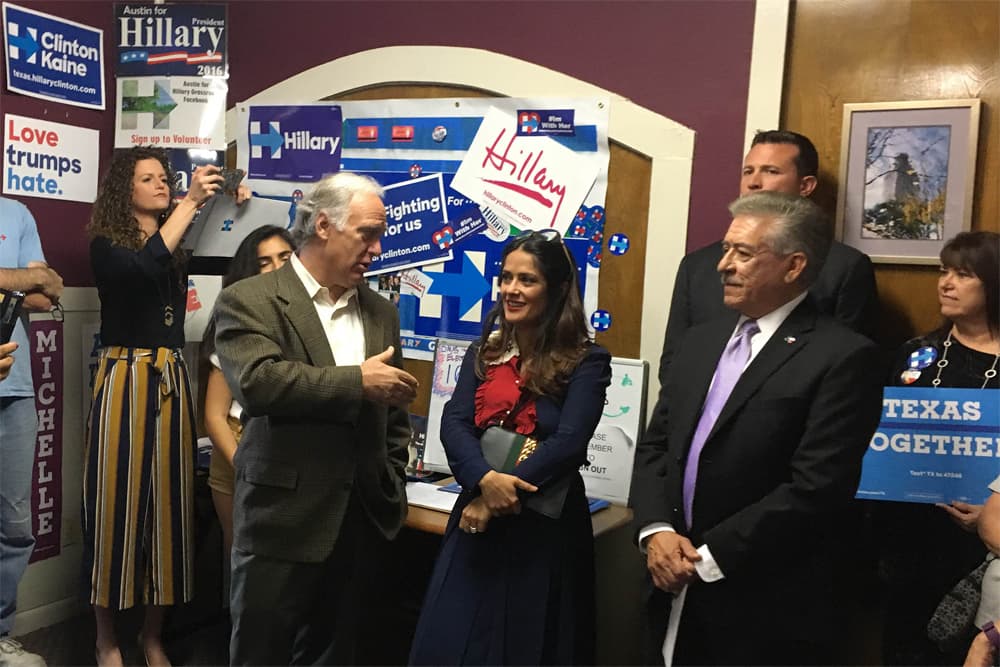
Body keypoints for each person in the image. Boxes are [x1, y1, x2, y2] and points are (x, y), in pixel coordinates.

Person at [631, 191, 884, 664]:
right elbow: (656, 445)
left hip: (762, 604)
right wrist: (656, 529)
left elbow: (816, 487)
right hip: (668, 580)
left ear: (793, 266)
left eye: (743, 253)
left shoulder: (843, 357)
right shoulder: (700, 340)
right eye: (726, 249)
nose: (723, 265)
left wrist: (705, 559)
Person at [213, 172, 418, 665]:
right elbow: (260, 383)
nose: (377, 249)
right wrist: (356, 382)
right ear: (324, 225)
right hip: (281, 521)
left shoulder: (381, 312)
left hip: (360, 522)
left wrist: (390, 478)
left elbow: (391, 414)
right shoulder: (250, 299)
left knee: (335, 654)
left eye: (380, 235)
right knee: (260, 656)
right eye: (367, 234)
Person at [409, 230, 612, 665]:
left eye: (527, 280)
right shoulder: (485, 351)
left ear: (557, 289)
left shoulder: (587, 360)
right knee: (454, 639)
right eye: (506, 278)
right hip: (476, 510)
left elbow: (569, 442)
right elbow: (455, 422)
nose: (511, 290)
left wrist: (498, 495)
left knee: (530, 644)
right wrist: (484, 481)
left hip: (542, 523)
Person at [83, 147, 247, 667]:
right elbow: (140, 267)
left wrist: (232, 199)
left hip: (171, 375)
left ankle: (151, 636)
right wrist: (190, 202)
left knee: (170, 507)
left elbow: (219, 258)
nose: (161, 184)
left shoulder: (176, 237)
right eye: (148, 178)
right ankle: (106, 638)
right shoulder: (107, 245)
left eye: (164, 178)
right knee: (114, 505)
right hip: (124, 375)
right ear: (124, 190)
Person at [655, 130, 878, 398]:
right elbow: (673, 366)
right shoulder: (697, 266)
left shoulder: (844, 268)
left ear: (805, 186)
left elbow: (847, 372)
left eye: (771, 171)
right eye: (748, 171)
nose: (754, 182)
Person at [875, 231, 999, 665]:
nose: (946, 283)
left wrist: (992, 516)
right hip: (909, 539)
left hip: (981, 549)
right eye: (944, 271)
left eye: (963, 275)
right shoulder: (917, 355)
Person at [201, 225, 294, 557]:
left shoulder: (311, 317)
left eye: (285, 257)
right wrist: (244, 466)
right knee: (241, 554)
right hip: (239, 443)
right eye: (264, 262)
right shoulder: (235, 320)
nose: (277, 268)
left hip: (291, 446)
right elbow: (214, 416)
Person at [0, 197, 63, 667]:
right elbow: (31, 285)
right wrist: (19, 280)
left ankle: (0, 632)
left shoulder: (16, 213)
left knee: (15, 525)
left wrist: (24, 283)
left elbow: (48, 292)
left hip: (15, 390)